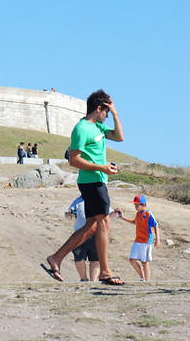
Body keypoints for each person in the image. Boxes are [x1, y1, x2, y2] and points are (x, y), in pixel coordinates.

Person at [44, 89, 125, 285]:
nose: (106, 117)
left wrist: (115, 113)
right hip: (92, 181)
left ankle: (56, 257)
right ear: (98, 109)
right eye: (106, 112)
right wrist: (102, 167)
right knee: (104, 222)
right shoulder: (81, 129)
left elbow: (120, 137)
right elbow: (73, 159)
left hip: (97, 181)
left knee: (91, 227)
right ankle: (105, 271)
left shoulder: (99, 127)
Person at [115, 194, 160, 282]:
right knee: (132, 260)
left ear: (143, 205)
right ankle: (142, 277)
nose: (135, 206)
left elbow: (156, 225)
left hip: (146, 241)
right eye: (134, 205)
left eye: (137, 205)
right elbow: (134, 222)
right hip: (138, 240)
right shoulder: (138, 214)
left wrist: (157, 240)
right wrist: (122, 217)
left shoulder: (148, 214)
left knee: (144, 262)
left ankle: (147, 281)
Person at [65, 196, 100, 281]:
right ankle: (84, 280)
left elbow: (110, 213)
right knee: (79, 258)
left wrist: (116, 212)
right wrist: (69, 214)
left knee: (95, 260)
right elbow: (67, 215)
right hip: (79, 234)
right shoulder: (78, 200)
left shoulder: (99, 199)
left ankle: (93, 282)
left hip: (95, 234)